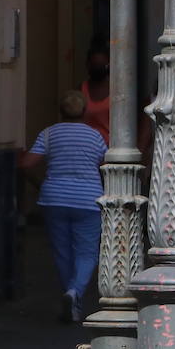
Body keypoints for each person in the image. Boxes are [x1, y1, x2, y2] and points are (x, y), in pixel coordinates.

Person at [18, 91, 107, 324]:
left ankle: (71, 297)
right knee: (87, 252)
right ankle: (74, 292)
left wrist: (39, 184)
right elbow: (106, 164)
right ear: (85, 111)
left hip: (54, 199)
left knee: (62, 251)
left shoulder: (49, 134)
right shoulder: (95, 136)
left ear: (60, 111)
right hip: (88, 200)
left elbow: (26, 163)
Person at [80, 39, 112, 144]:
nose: (98, 68)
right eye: (95, 65)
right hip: (86, 147)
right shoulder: (81, 90)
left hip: (110, 150)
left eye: (101, 65)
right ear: (88, 65)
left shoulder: (116, 91)